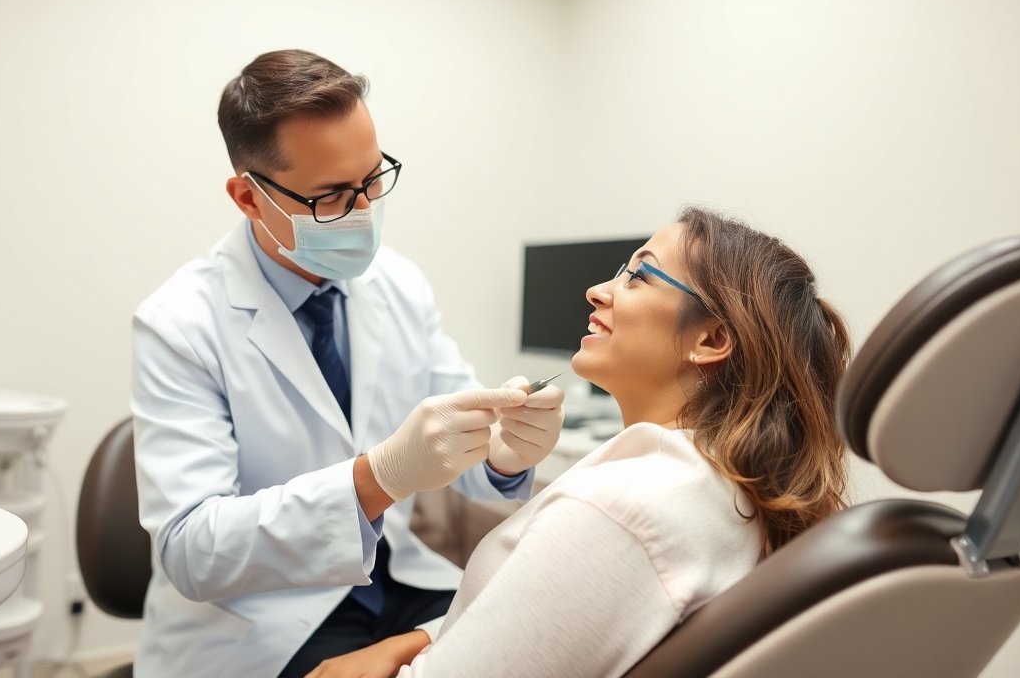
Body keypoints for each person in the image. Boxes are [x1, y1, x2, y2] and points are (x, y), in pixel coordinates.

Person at [129, 49, 566, 678]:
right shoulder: (178, 324)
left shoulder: (398, 284)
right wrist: (377, 477)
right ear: (248, 198)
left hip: (397, 576)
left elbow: (456, 433)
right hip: (262, 617)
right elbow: (192, 552)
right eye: (331, 196)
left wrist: (504, 452)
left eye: (372, 179)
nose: (363, 211)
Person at [311, 207, 850, 678]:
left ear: (709, 340)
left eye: (639, 276)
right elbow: (565, 618)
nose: (598, 289)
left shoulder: (618, 511)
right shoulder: (719, 483)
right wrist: (424, 639)